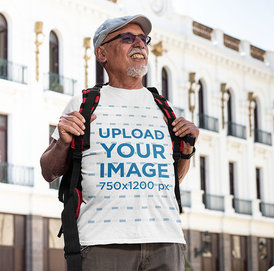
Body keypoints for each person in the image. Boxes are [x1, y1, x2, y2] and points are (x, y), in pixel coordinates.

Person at [40, 14, 199, 271]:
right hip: (103, 243)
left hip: (166, 241)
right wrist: (62, 144)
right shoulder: (84, 103)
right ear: (102, 53)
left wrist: (188, 149)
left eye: (143, 39)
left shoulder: (164, 108)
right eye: (127, 38)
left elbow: (172, 179)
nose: (139, 44)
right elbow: (48, 171)